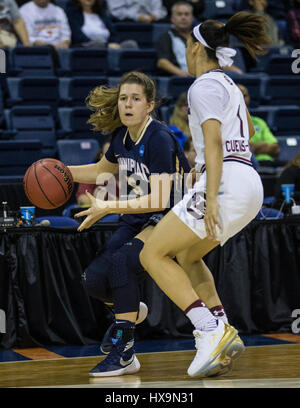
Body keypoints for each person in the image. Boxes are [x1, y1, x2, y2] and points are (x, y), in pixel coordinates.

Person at [139, 11, 270, 378]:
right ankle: (222, 325)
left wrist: (210, 196)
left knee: (153, 253)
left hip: (226, 181)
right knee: (186, 255)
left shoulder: (203, 86)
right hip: (247, 181)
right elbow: (227, 141)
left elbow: (213, 142)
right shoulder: (227, 83)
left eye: (185, 45)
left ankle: (210, 332)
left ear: (195, 47)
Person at [67, 71, 191, 376]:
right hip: (137, 217)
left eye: (135, 99)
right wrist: (59, 170)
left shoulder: (160, 137)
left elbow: (160, 199)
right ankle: (131, 309)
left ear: (149, 106)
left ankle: (124, 353)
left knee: (122, 262)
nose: (127, 104)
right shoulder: (121, 138)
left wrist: (108, 206)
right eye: (123, 98)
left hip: (172, 215)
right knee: (93, 280)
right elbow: (100, 170)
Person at [155, 1, 243, 77]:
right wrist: (182, 73)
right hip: (184, 78)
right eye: (179, 14)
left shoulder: (202, 36)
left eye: (187, 14)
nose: (183, 17)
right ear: (172, 18)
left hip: (207, 75)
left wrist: (235, 71)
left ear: (192, 18)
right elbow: (162, 62)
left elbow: (214, 59)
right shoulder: (166, 37)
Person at [237, 84, 280, 166]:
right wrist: (262, 144)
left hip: (267, 162)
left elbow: (275, 148)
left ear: (249, 98)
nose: (242, 98)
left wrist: (254, 147)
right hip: (245, 164)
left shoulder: (259, 122)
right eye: (238, 95)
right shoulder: (226, 123)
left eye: (244, 96)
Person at [65, 0, 137, 49]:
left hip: (108, 47)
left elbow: (113, 34)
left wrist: (114, 43)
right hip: (85, 48)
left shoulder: (102, 14)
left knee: (131, 44)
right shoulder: (72, 15)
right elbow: (77, 37)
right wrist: (106, 46)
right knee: (97, 44)